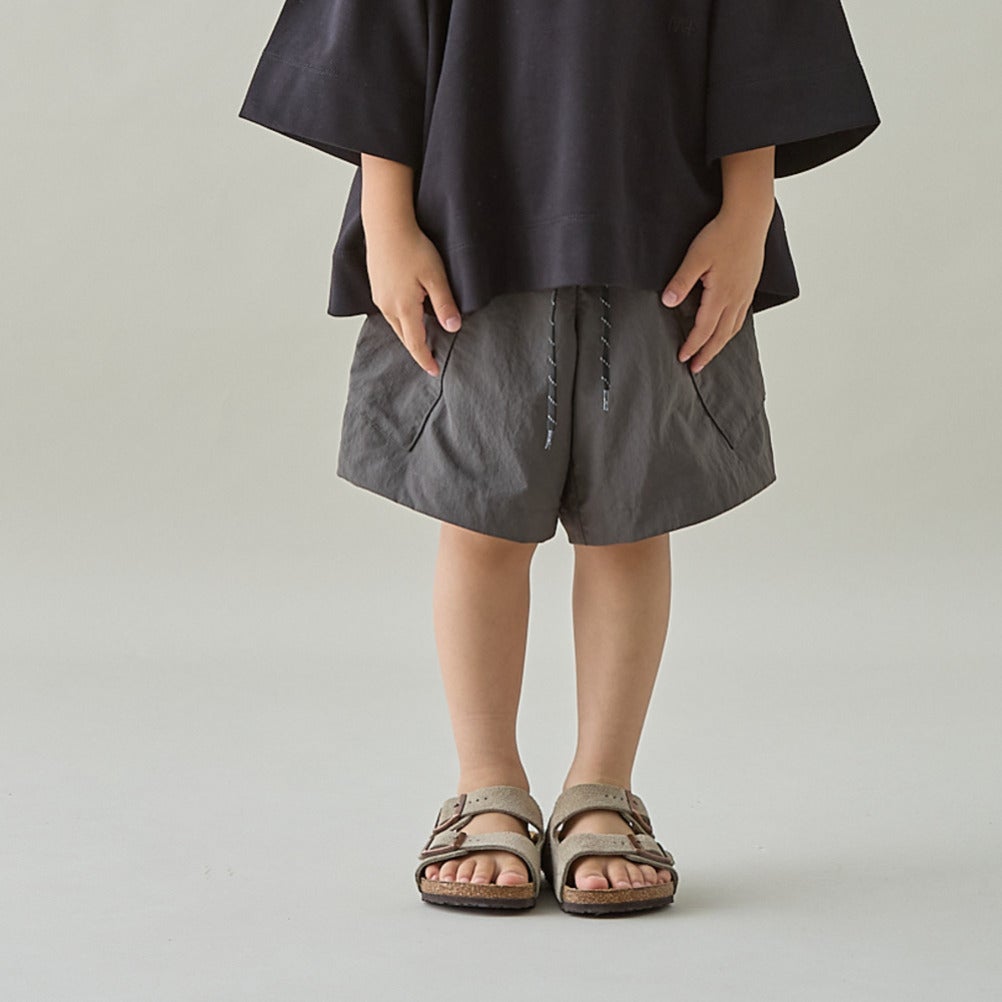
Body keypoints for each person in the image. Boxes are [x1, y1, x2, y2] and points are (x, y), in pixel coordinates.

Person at [238, 0, 880, 916]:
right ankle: (486, 786)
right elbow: (378, 24)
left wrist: (748, 212)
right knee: (480, 517)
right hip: (469, 211)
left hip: (662, 217)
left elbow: (762, 24)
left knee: (631, 519)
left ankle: (601, 791)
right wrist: (387, 216)